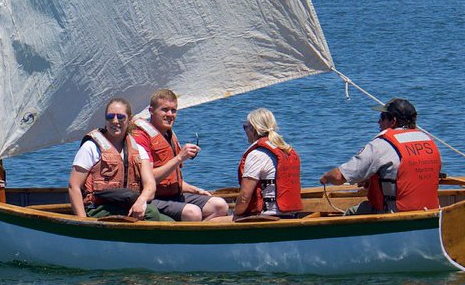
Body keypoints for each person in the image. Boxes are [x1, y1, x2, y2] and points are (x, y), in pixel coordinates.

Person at [319, 97, 441, 214]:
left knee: (352, 212)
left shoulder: (381, 145)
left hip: (393, 214)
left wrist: (326, 177)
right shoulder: (427, 141)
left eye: (382, 118)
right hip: (430, 211)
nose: (378, 122)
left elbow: (340, 177)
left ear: (393, 121)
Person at [132, 89, 229, 221]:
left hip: (175, 195)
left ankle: (200, 237)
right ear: (151, 111)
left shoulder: (170, 135)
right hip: (154, 198)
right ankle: (189, 238)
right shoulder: (141, 137)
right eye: (165, 110)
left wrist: (195, 190)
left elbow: (172, 179)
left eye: (174, 110)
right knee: (193, 213)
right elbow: (149, 180)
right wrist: (179, 158)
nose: (170, 114)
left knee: (219, 205)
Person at [68, 97, 166, 220]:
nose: (115, 121)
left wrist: (141, 200)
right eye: (110, 117)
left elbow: (150, 184)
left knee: (170, 221)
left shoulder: (138, 150)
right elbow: (74, 186)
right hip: (99, 208)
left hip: (127, 204)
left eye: (120, 117)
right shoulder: (91, 148)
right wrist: (82, 222)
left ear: (129, 119)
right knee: (152, 213)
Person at [233, 108, 303, 219]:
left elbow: (244, 197)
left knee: (213, 220)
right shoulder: (286, 150)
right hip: (291, 215)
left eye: (245, 127)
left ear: (254, 130)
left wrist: (235, 214)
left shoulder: (257, 155)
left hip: (266, 216)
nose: (245, 130)